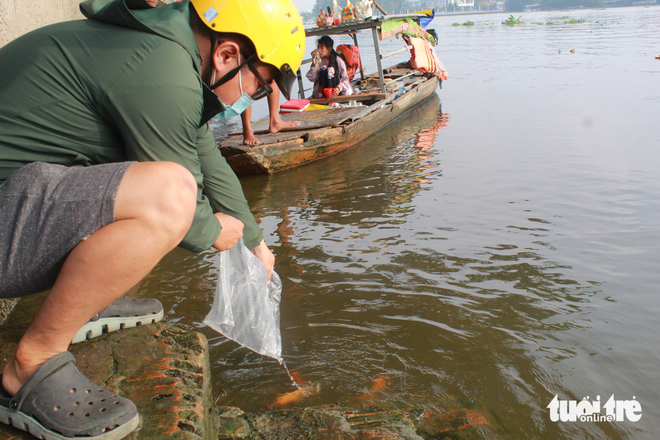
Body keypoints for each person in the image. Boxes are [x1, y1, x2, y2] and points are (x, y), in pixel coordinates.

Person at [0, 0, 304, 438]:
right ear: (227, 56)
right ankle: (31, 364)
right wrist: (216, 232)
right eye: (259, 87)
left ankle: (80, 302)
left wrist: (255, 241)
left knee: (150, 179)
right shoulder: (160, 69)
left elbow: (208, 159)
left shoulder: (166, 50)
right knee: (171, 197)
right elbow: (186, 203)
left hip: (19, 200)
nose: (252, 99)